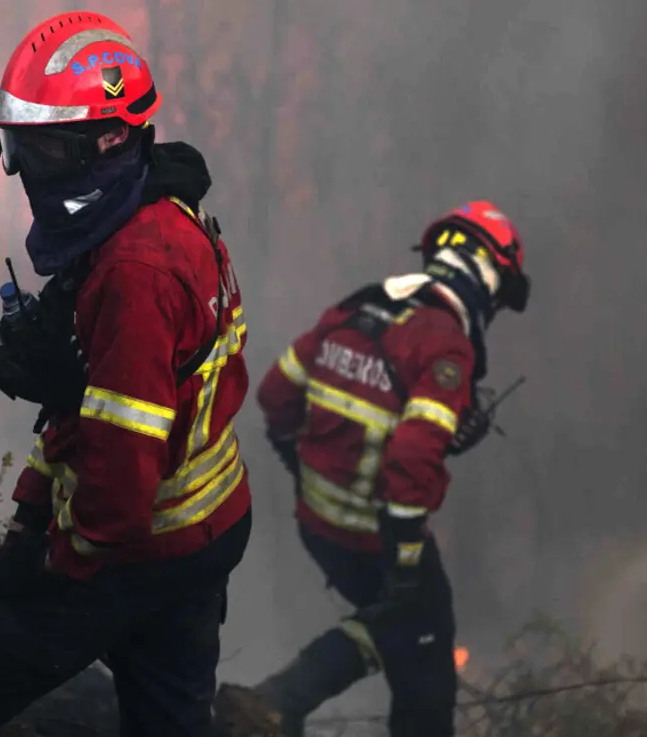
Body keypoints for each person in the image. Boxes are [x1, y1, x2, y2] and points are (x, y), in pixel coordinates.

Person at [0, 10, 252, 736]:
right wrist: (29, 504)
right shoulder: (151, 216)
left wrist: (51, 558)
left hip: (135, 547)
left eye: (42, 152)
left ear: (110, 138)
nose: (25, 175)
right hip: (208, 530)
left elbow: (117, 486)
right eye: (16, 150)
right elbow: (97, 411)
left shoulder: (134, 272)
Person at [213, 201, 531, 737]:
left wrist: (303, 467)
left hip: (318, 525)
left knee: (406, 634)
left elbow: (275, 393)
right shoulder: (445, 341)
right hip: (375, 531)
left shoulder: (358, 308)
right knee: (420, 621)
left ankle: (275, 705)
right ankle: (275, 701)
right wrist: (406, 557)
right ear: (487, 274)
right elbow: (409, 458)